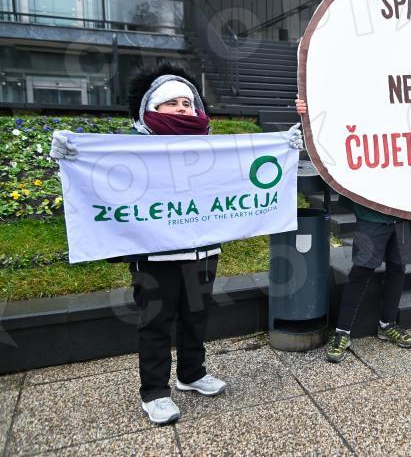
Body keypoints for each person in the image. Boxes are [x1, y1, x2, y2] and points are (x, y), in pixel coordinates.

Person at [49, 62, 303, 425]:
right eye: (173, 103)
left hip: (203, 249)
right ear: (151, 108)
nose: (183, 109)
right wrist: (70, 154)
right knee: (155, 322)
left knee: (196, 314)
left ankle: (191, 373)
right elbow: (99, 175)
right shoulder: (131, 150)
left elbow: (244, 175)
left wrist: (285, 148)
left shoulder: (215, 148)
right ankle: (154, 392)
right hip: (156, 255)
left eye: (188, 103)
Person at [294, 96, 411, 363]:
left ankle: (388, 324)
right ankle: (343, 332)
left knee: (398, 267)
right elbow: (333, 128)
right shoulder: (366, 109)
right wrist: (308, 112)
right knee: (362, 270)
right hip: (372, 211)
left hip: (405, 211)